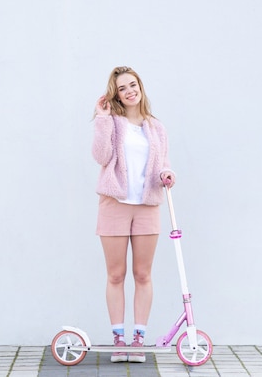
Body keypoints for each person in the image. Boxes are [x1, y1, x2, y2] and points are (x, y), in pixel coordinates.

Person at [92, 66, 175, 363]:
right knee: (116, 274)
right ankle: (119, 340)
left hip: (147, 206)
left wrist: (167, 173)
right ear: (116, 95)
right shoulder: (112, 124)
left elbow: (162, 163)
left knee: (143, 274)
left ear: (140, 86)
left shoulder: (156, 127)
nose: (129, 91)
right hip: (115, 204)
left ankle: (138, 339)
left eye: (132, 85)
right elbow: (101, 157)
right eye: (122, 88)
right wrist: (102, 120)